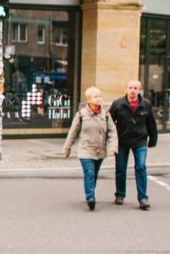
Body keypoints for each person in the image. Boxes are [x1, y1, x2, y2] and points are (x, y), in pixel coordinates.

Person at [62, 86, 118, 211]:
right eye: (96, 96)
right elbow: (73, 132)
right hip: (85, 150)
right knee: (90, 173)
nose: (99, 99)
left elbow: (113, 132)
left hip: (100, 150)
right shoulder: (81, 115)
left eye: (100, 96)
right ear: (89, 100)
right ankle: (90, 197)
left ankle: (90, 190)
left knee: (94, 174)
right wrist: (67, 148)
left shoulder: (106, 115)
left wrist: (113, 147)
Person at [109, 79, 159, 210]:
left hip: (140, 140)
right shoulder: (117, 104)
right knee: (120, 168)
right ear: (126, 89)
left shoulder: (146, 104)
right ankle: (120, 195)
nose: (132, 90)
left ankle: (143, 198)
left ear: (139, 90)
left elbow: (151, 123)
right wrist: (109, 140)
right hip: (122, 141)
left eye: (135, 88)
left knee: (141, 167)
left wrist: (153, 139)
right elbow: (108, 123)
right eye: (130, 88)